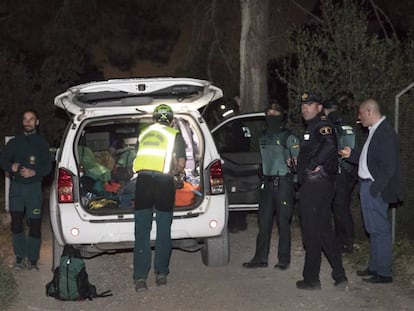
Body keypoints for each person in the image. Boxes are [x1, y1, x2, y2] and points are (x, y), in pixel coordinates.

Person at [339, 99, 402, 284]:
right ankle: (374, 267)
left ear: (369, 111)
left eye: (360, 114)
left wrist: (375, 189)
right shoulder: (374, 131)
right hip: (367, 187)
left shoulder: (386, 133)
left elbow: (389, 168)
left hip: (374, 188)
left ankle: (384, 273)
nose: (358, 119)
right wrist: (351, 154)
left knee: (380, 230)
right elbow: (369, 159)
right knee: (373, 229)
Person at [296, 92, 348, 290]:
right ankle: (340, 275)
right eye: (303, 106)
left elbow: (329, 145)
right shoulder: (312, 126)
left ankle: (311, 279)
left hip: (317, 186)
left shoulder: (321, 125)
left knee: (311, 232)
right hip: (316, 185)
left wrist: (313, 164)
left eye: (309, 105)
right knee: (324, 231)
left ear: (319, 107)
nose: (305, 108)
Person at [132, 104, 186, 292]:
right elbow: (180, 164)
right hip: (164, 183)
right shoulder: (174, 134)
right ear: (170, 120)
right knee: (163, 229)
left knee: (141, 231)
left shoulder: (144, 133)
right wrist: (176, 172)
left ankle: (140, 278)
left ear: (154, 119)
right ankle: (161, 273)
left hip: (144, 182)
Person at [243, 103, 299, 270]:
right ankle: (260, 258)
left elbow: (297, 161)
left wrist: (293, 172)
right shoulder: (264, 136)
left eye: (275, 112)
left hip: (283, 183)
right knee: (264, 222)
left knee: (283, 223)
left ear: (282, 115)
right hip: (267, 184)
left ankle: (283, 259)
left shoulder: (288, 137)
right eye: (269, 112)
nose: (272, 115)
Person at [0, 109, 52, 271]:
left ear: (37, 122)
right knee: (16, 224)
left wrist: (35, 172)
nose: (27, 121)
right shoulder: (14, 142)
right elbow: (3, 161)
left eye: (31, 119)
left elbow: (48, 167)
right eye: (25, 119)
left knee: (35, 224)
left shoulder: (42, 143)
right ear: (22, 122)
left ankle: (33, 260)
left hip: (34, 189)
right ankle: (19, 257)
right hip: (16, 188)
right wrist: (11, 166)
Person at [322, 96, 358, 253]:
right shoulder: (346, 126)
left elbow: (338, 151)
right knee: (341, 208)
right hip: (348, 172)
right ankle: (343, 241)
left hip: (340, 172)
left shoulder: (331, 126)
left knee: (340, 207)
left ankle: (346, 242)